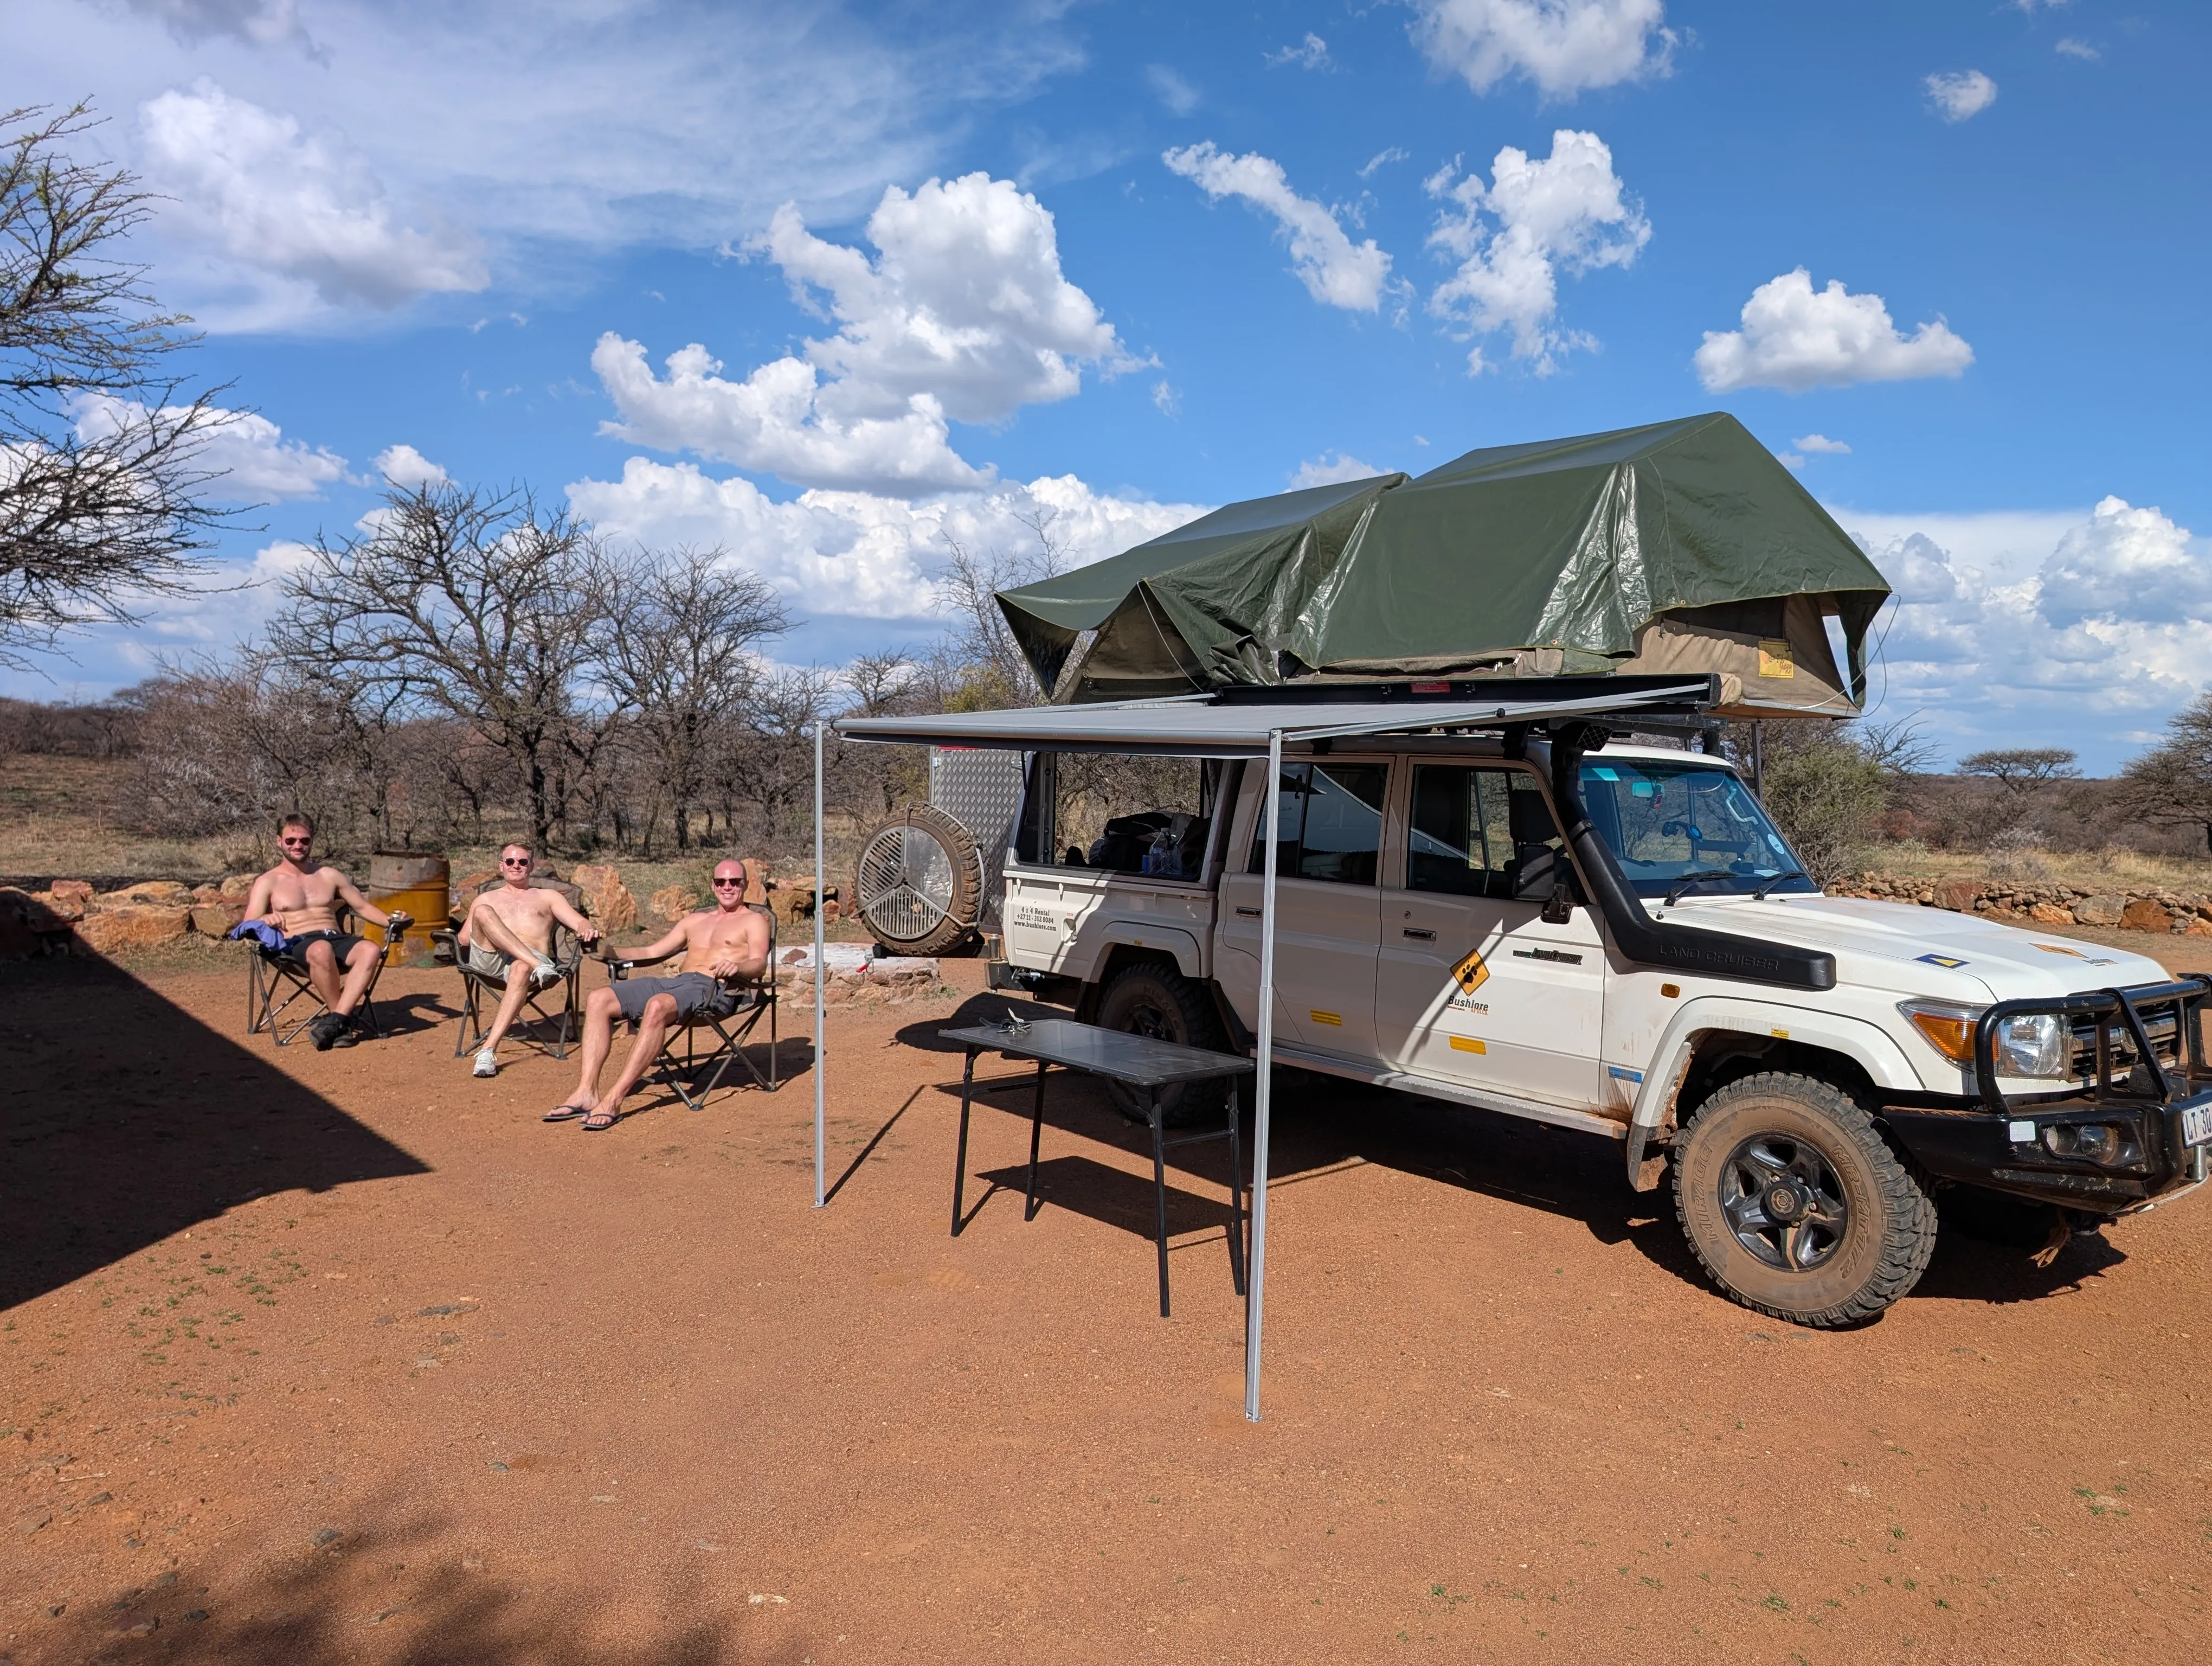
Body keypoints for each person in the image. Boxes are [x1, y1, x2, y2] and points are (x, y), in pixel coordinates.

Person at [548, 858, 770, 1131]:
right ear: (712, 886)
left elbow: (760, 962)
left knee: (657, 1005)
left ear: (745, 885)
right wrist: (600, 952)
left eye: (735, 882)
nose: (728, 887)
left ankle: (614, 1099)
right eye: (721, 882)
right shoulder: (695, 920)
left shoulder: (754, 920)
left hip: (717, 988)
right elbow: (653, 952)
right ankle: (586, 1092)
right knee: (599, 999)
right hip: (679, 984)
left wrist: (737, 967)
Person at [240, 813, 407, 1050]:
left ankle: (336, 1022)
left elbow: (362, 907)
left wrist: (391, 921)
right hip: (294, 945)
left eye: (304, 841)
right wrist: (265, 918)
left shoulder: (330, 875)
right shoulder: (268, 881)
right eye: (291, 841)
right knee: (321, 949)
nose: (298, 846)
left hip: (333, 938)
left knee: (370, 949)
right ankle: (342, 1021)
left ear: (312, 841)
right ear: (279, 842)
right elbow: (249, 923)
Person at [455, 842, 601, 1077]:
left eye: (523, 862)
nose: (516, 866)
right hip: (491, 962)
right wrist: (482, 926)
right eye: (510, 861)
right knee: (483, 911)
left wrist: (587, 929)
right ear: (501, 866)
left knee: (521, 967)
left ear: (531, 866)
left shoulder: (548, 897)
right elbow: (463, 939)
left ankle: (488, 1050)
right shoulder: (486, 898)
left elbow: (579, 922)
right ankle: (538, 965)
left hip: (527, 968)